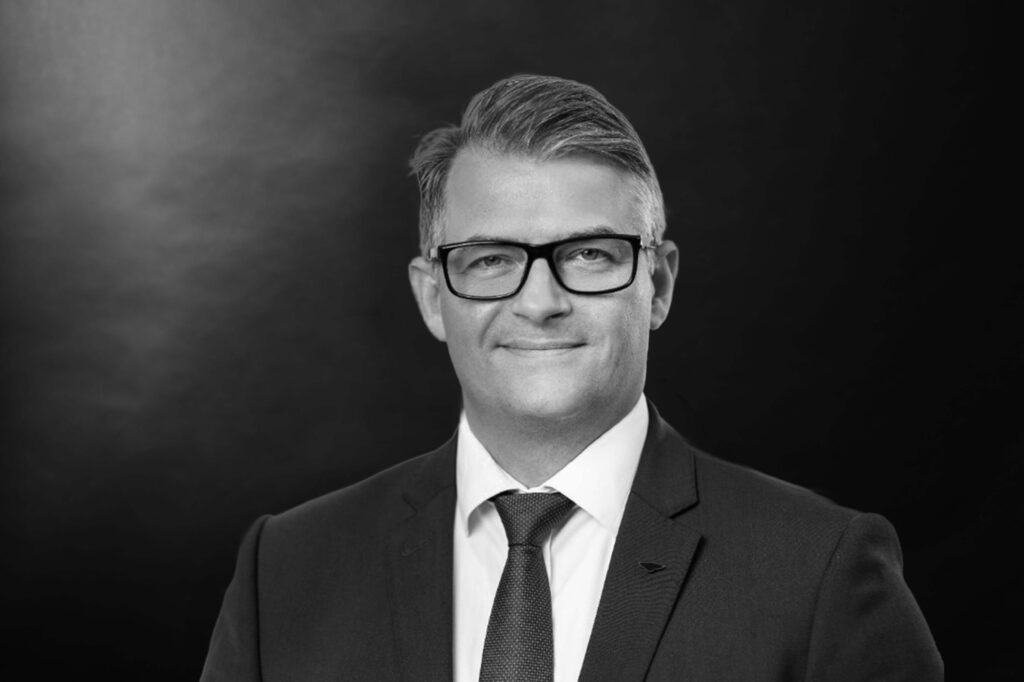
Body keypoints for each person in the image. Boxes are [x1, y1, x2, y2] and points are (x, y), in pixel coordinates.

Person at [200, 74, 942, 681]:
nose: (540, 302)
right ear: (432, 297)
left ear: (658, 284)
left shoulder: (819, 571)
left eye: (589, 255)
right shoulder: (287, 570)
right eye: (491, 260)